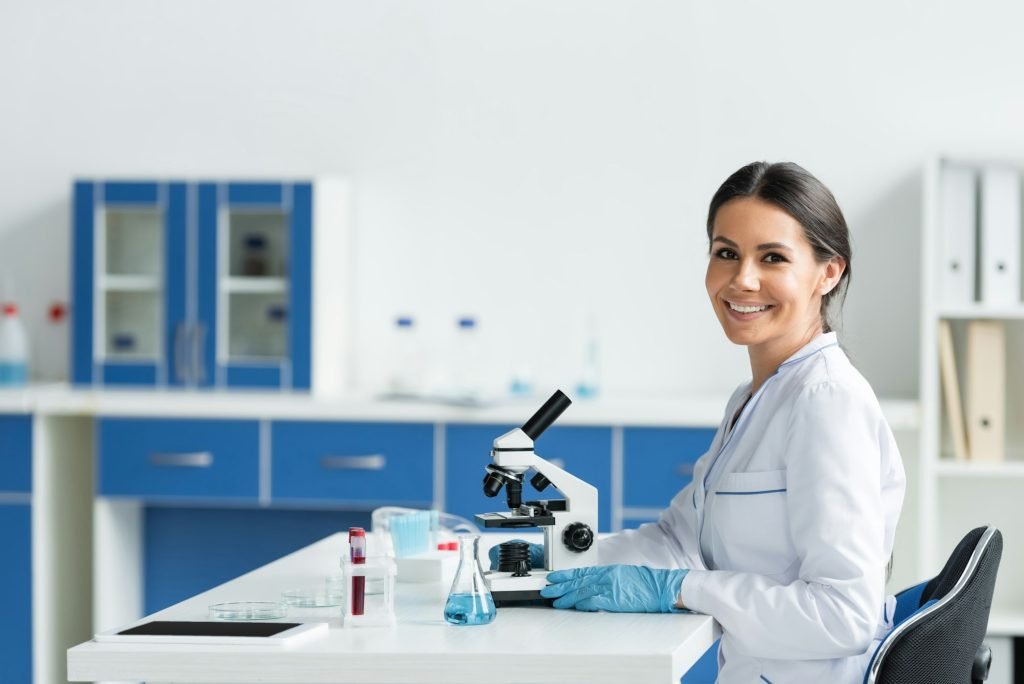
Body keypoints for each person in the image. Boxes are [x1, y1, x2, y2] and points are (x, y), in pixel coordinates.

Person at [517, 161, 906, 682]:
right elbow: (680, 538)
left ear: (827, 272)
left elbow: (843, 616)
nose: (742, 279)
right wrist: (545, 559)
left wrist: (676, 590)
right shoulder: (756, 398)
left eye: (773, 257)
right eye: (726, 253)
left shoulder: (826, 400)